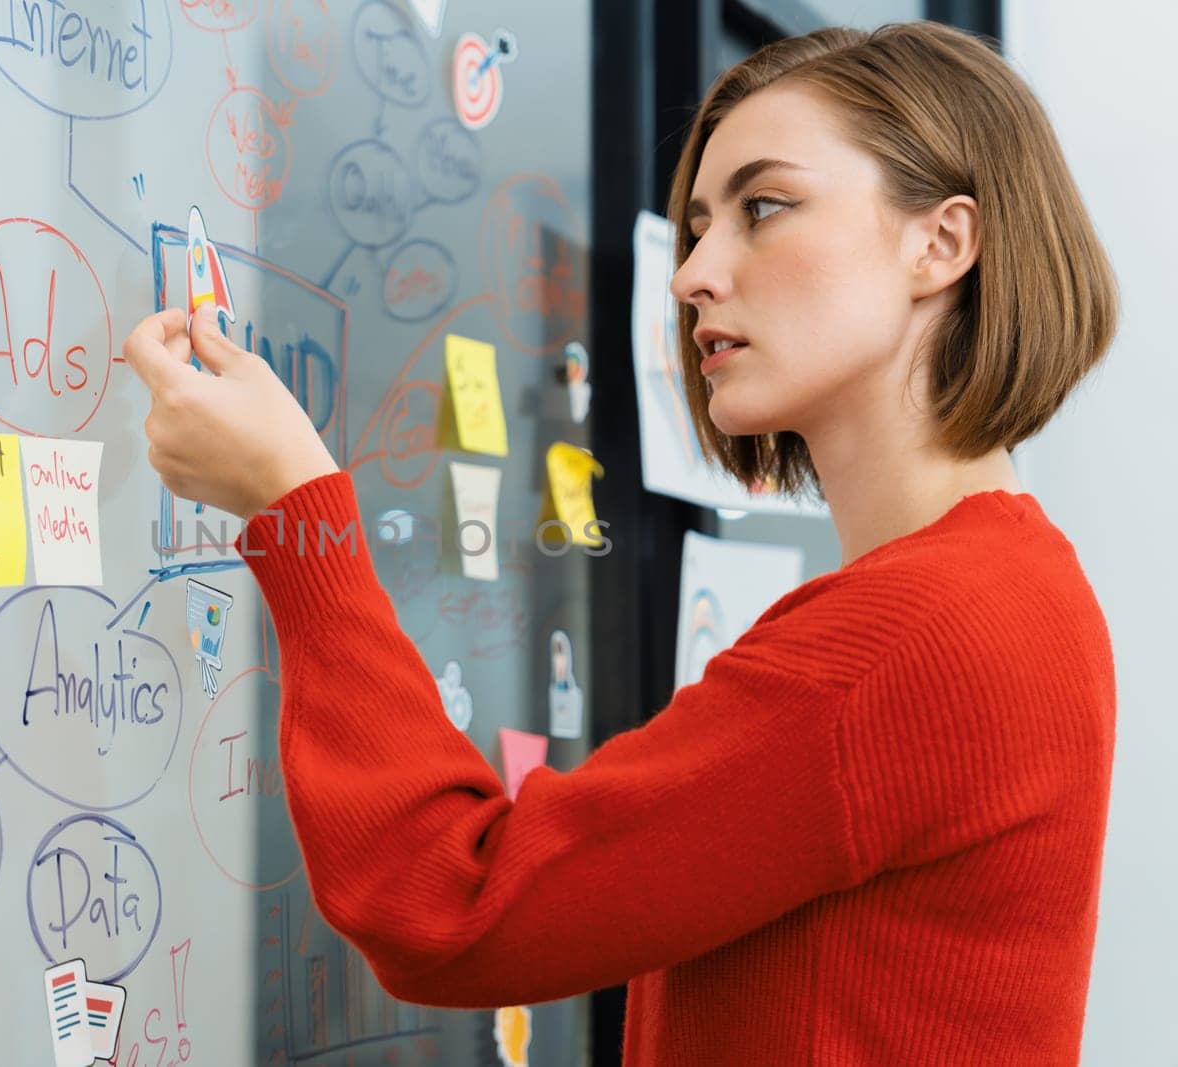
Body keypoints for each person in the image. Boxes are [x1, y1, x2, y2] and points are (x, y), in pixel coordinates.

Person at [122, 20, 1117, 1066]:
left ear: (940, 243)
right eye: (695, 227)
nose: (694, 272)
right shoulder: (1016, 586)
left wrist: (294, 507)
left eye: (763, 208)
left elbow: (450, 906)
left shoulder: (913, 632)